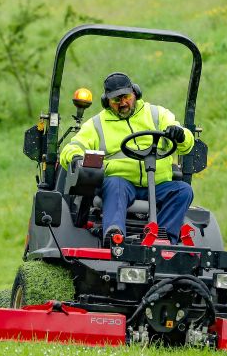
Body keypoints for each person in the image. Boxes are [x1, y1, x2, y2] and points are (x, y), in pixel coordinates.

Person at [60, 72, 195, 245]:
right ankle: (115, 236)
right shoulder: (97, 124)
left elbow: (187, 144)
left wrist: (180, 134)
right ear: (106, 101)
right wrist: (76, 156)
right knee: (115, 184)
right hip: (121, 184)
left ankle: (163, 238)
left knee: (183, 191)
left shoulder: (157, 115)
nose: (123, 103)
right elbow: (72, 147)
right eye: (116, 100)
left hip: (158, 185)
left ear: (135, 93)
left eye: (126, 97)